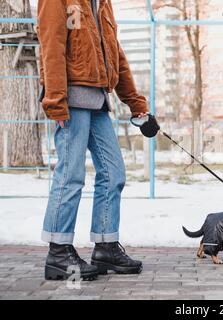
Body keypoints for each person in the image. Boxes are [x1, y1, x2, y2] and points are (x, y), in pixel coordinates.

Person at [37, 0, 146, 280]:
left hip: (98, 100)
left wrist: (136, 103)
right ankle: (59, 252)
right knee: (71, 174)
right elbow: (51, 45)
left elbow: (115, 54)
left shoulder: (103, 4)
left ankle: (105, 246)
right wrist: (56, 101)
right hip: (70, 97)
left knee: (114, 173)